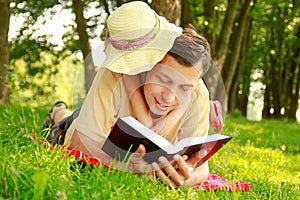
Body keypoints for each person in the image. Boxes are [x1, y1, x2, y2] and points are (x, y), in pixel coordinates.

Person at [45, 1, 212, 188]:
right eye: (164, 79)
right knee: (66, 120)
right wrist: (134, 169)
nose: (169, 98)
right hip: (86, 128)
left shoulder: (197, 91)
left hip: (106, 119)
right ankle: (57, 110)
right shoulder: (113, 74)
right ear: (153, 62)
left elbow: (202, 166)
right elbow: (81, 147)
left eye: (184, 88)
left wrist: (188, 177)